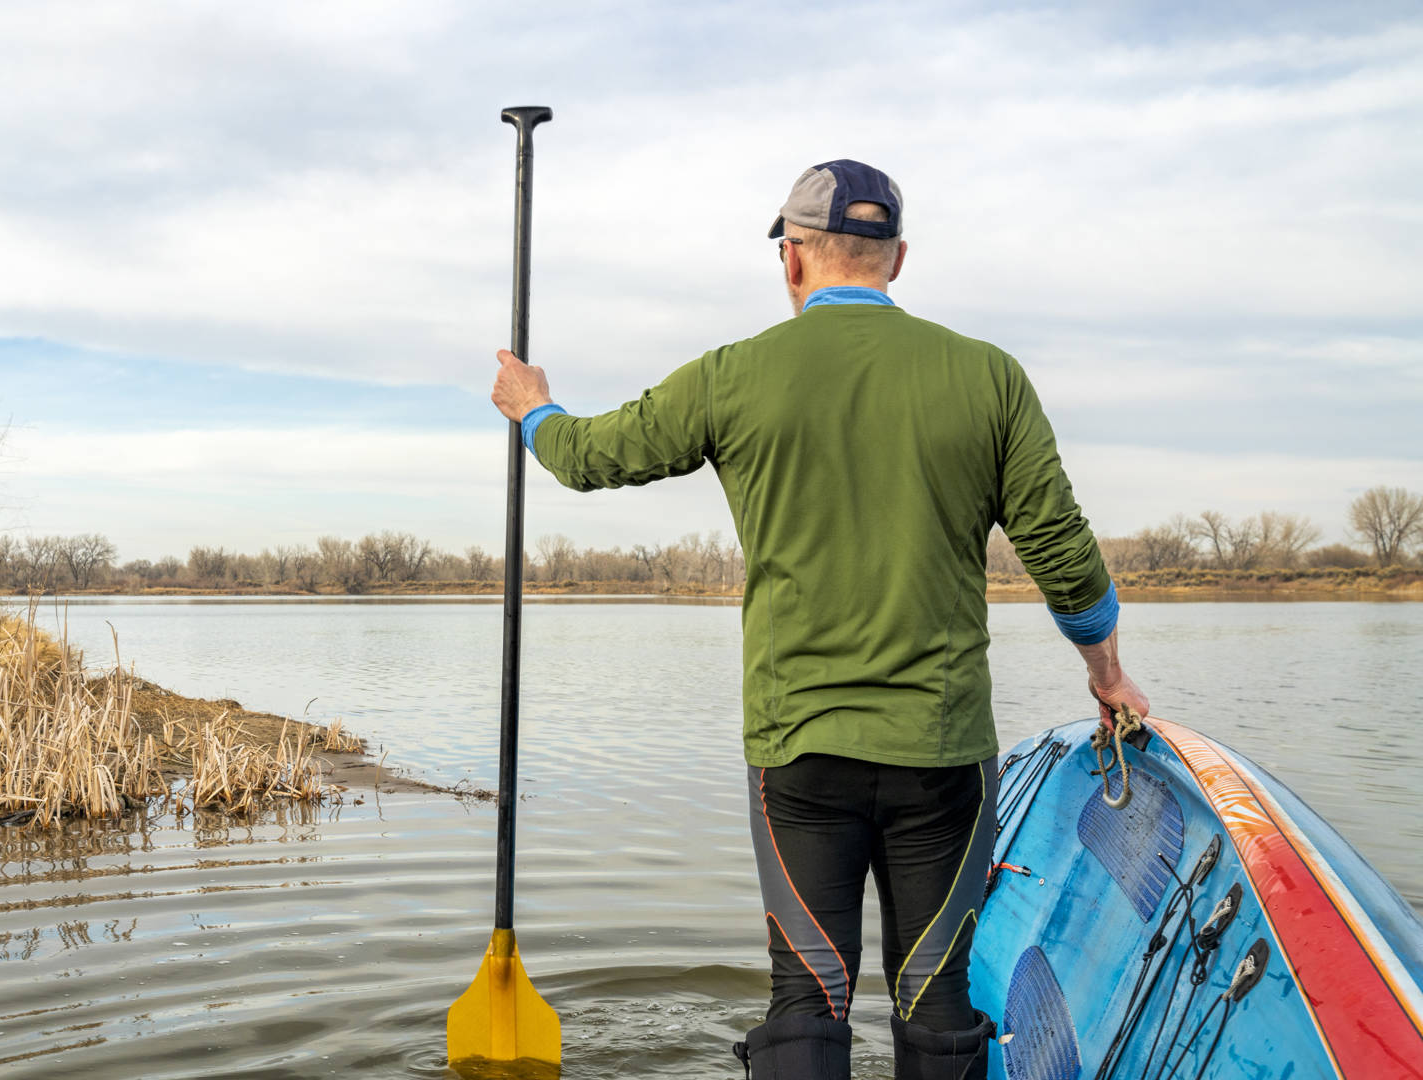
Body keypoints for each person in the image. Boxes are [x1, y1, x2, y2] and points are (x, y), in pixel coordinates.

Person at [488, 159, 1149, 1080]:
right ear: (899, 258)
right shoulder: (991, 378)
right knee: (935, 999)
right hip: (944, 752)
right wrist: (1106, 673)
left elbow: (594, 456)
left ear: (791, 260)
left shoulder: (733, 374)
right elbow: (1066, 557)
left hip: (798, 752)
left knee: (808, 1000)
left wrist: (533, 412)